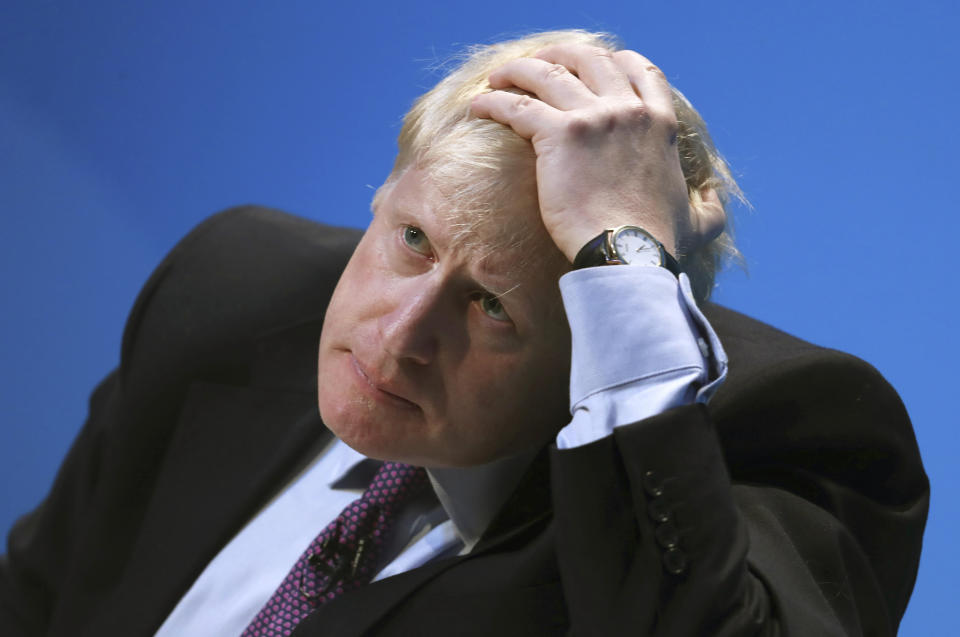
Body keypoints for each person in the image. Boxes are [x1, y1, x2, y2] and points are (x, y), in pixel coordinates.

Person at [0, 29, 927, 636]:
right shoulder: (228, 292)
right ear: (382, 190)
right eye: (411, 240)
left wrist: (622, 262)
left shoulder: (771, 445)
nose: (399, 338)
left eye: (493, 307)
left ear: (587, 347)